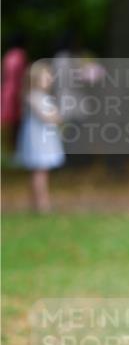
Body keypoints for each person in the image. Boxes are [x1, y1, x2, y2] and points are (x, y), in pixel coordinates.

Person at [14, 61, 65, 213]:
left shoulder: (43, 97)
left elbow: (55, 116)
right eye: (45, 77)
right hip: (38, 140)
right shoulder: (32, 97)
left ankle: (40, 203)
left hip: (45, 138)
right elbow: (47, 117)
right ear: (35, 79)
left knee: (42, 172)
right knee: (39, 172)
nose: (49, 80)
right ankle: (41, 204)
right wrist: (56, 117)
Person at [1, 33, 28, 153]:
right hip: (17, 92)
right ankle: (17, 151)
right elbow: (23, 76)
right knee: (18, 123)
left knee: (9, 124)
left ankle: (9, 151)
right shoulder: (21, 55)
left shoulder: (8, 55)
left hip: (7, 90)